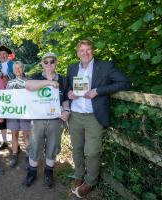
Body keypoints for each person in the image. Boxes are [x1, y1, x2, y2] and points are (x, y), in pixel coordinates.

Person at [67, 39, 131, 198]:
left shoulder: (105, 66)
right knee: (77, 149)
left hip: (94, 116)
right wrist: (69, 93)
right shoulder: (72, 67)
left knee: (92, 152)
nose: (85, 53)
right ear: (77, 53)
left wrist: (98, 91)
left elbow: (125, 83)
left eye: (88, 49)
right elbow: (68, 87)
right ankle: (79, 175)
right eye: (82, 50)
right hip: (75, 114)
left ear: (93, 51)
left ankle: (90, 181)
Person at [24, 52, 70, 188]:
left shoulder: (63, 80)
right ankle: (32, 172)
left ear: (56, 63)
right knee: (35, 144)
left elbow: (66, 100)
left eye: (52, 61)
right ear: (42, 64)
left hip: (56, 120)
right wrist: (49, 82)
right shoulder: (36, 77)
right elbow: (28, 85)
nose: (49, 64)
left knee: (53, 146)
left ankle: (49, 173)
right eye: (46, 62)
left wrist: (67, 111)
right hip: (37, 120)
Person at [5, 61, 31, 168]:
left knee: (26, 135)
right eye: (15, 68)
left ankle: (28, 155)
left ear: (23, 69)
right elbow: (5, 97)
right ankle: (15, 154)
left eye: (20, 67)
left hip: (25, 112)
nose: (18, 70)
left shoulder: (29, 82)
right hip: (13, 113)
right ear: (13, 70)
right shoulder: (9, 83)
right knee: (14, 134)